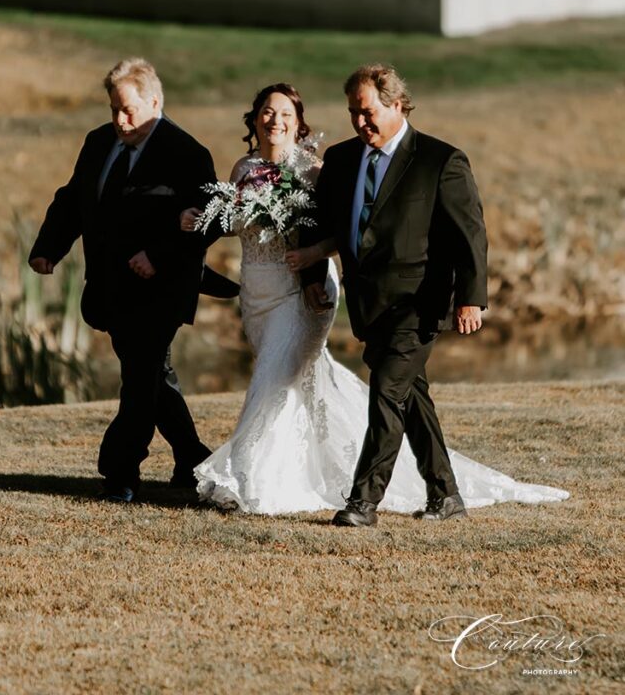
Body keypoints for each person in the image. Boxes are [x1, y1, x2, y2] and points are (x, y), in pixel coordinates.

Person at [181, 81, 568, 518]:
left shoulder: (440, 159)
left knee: (384, 392)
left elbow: (470, 234)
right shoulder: (343, 158)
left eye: (367, 112)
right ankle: (445, 492)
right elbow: (323, 222)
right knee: (410, 394)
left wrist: (472, 298)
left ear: (397, 104)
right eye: (353, 112)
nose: (359, 121)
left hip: (418, 301)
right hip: (346, 299)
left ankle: (361, 499)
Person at [29, 57, 236, 503]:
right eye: (113, 109)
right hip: (111, 288)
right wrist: (48, 247)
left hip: (162, 288)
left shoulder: (186, 153)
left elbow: (211, 221)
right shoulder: (99, 142)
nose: (120, 120)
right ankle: (192, 459)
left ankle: (119, 472)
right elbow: (73, 200)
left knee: (140, 380)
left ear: (155, 101)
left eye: (128, 110)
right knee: (151, 375)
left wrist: (158, 255)